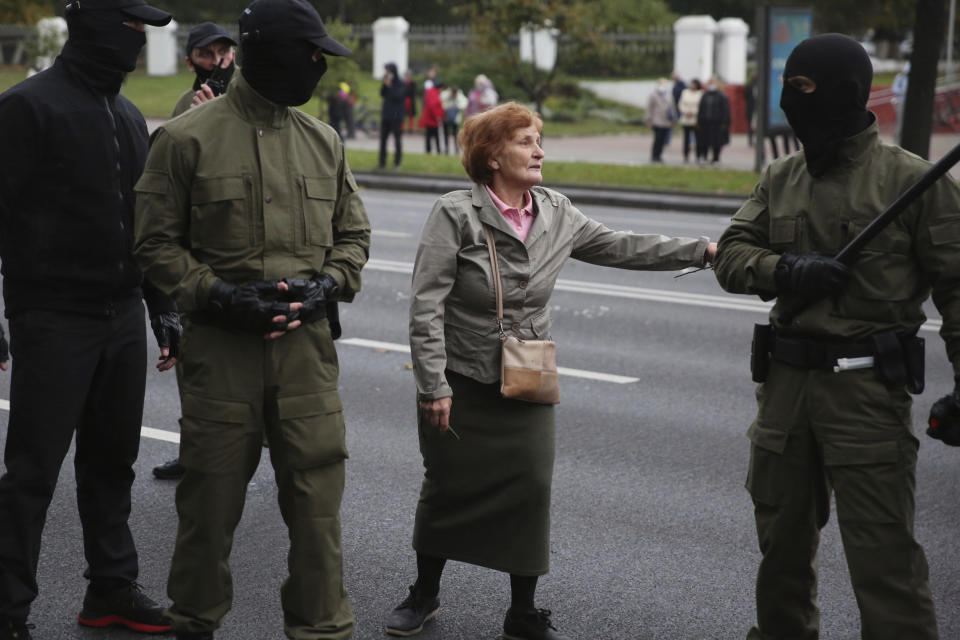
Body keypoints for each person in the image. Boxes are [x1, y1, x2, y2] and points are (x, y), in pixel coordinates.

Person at [386, 102, 716, 640]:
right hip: (462, 377)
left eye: (540, 139)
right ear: (492, 156)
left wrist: (702, 250)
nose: (540, 150)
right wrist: (433, 385)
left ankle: (523, 612)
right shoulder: (456, 212)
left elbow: (619, 245)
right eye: (525, 141)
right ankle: (424, 593)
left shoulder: (556, 210)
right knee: (447, 483)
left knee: (531, 486)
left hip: (528, 377)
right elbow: (426, 304)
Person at [132, 1, 371, 638]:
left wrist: (328, 283)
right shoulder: (185, 138)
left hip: (307, 361)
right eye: (311, 53)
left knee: (319, 514)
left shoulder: (323, 142)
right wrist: (216, 294)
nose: (319, 66)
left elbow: (354, 236)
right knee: (207, 512)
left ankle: (323, 630)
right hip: (221, 358)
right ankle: (194, 624)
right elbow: (153, 243)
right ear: (269, 52)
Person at [713, 33, 960, 640]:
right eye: (787, 88)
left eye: (802, 89)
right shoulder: (781, 176)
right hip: (786, 394)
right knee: (783, 557)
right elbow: (732, 254)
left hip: (867, 395)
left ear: (847, 93)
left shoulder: (915, 182)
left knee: (885, 565)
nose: (790, 101)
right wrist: (788, 269)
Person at [0, 1, 179, 638]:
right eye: (132, 28)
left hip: (122, 313)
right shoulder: (28, 106)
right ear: (97, 25)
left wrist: (162, 311)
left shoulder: (129, 115)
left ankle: (110, 588)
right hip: (52, 314)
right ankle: (9, 608)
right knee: (32, 471)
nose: (138, 42)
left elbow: (145, 229)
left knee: (112, 462)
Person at [155, 20, 239, 482]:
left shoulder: (246, 92)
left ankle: (245, 446)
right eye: (208, 53)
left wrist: (223, 108)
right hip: (196, 246)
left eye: (224, 51)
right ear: (191, 59)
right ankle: (192, 451)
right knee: (194, 360)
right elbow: (178, 166)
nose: (218, 61)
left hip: (233, 244)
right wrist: (199, 115)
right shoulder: (188, 102)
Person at [170, 21, 237, 118]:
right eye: (205, 54)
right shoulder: (185, 103)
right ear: (190, 63)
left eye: (223, 51)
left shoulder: (249, 92)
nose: (217, 61)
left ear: (233, 56)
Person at [696, 77, 730, 164]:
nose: (711, 85)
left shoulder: (722, 96)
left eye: (712, 83)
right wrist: (699, 120)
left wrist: (725, 122)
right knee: (704, 141)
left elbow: (726, 110)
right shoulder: (705, 95)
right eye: (709, 83)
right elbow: (700, 109)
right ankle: (704, 157)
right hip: (705, 122)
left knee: (716, 142)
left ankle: (716, 158)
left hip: (717, 123)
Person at [379, 62, 405, 168]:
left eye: (389, 70)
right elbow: (382, 94)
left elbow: (398, 96)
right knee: (383, 140)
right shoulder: (387, 82)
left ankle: (397, 162)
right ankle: (382, 162)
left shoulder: (400, 83)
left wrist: (390, 86)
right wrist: (384, 85)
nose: (387, 73)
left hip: (397, 116)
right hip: (386, 115)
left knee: (397, 140)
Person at [646, 78, 676, 163]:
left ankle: (659, 155)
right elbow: (649, 108)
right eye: (661, 84)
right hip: (657, 121)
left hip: (667, 121)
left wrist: (673, 120)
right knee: (657, 139)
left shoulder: (669, 95)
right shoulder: (653, 95)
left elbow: (672, 108)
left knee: (663, 140)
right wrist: (649, 119)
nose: (663, 86)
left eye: (664, 84)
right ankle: (654, 155)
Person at [678, 78, 703, 163]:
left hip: (696, 119)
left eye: (694, 84)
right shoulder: (685, 93)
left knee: (698, 139)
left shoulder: (700, 94)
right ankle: (686, 156)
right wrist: (685, 112)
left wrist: (693, 112)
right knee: (686, 139)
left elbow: (701, 106)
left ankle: (698, 156)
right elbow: (681, 104)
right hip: (686, 119)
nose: (692, 86)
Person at [418, 79, 444, 154]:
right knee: (435, 136)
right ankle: (436, 150)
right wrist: (438, 116)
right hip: (432, 119)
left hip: (429, 118)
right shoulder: (434, 93)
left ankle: (429, 150)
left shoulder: (431, 92)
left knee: (429, 136)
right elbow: (433, 106)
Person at [440, 83, 467, 154]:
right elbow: (440, 102)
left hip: (455, 119)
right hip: (445, 118)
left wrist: (457, 107)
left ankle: (456, 149)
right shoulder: (445, 95)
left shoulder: (460, 96)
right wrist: (446, 108)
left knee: (455, 134)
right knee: (446, 133)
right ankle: (446, 148)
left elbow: (464, 104)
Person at [892, 61, 909, 145]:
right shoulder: (900, 77)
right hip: (902, 101)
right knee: (900, 124)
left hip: (911, 103)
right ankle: (897, 143)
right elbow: (894, 89)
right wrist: (903, 91)